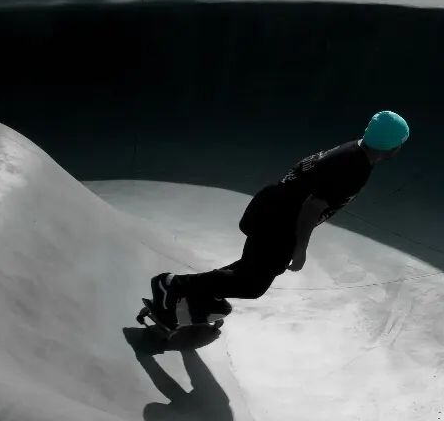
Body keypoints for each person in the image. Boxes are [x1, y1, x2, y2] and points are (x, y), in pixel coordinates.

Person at [146, 112, 411, 330]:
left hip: (273, 209)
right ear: (392, 147)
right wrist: (300, 248)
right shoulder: (355, 168)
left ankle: (202, 295)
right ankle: (172, 284)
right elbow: (312, 207)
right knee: (252, 286)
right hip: (279, 222)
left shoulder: (355, 150)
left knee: (249, 269)